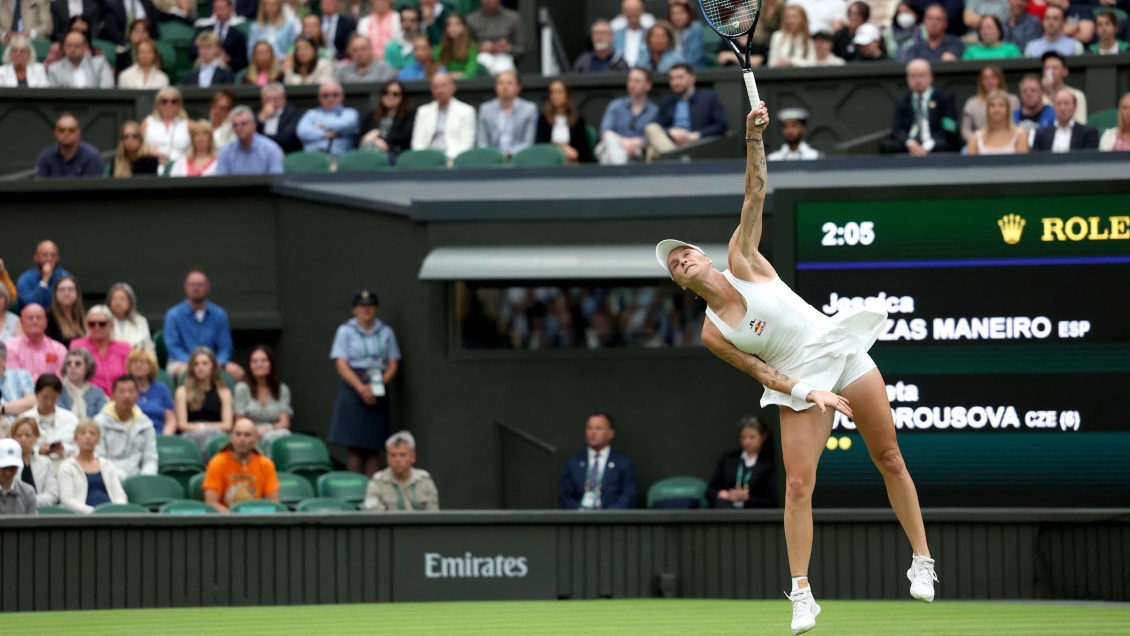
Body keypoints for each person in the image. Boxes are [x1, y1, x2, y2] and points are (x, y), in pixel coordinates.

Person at [657, 103, 935, 635]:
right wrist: (811, 394)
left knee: (890, 456)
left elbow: (754, 193)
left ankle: (921, 558)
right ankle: (802, 594)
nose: (682, 260)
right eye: (674, 264)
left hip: (838, 350)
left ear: (704, 257)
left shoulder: (743, 257)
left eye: (685, 252)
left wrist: (753, 139)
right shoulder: (713, 333)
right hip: (796, 379)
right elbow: (764, 375)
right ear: (680, 283)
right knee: (798, 486)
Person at [328, 290, 401, 477]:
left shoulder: (386, 332)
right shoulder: (345, 331)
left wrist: (379, 386)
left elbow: (393, 363)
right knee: (355, 446)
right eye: (362, 306)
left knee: (373, 445)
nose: (366, 310)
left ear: (375, 308)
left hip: (378, 383)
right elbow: (341, 364)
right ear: (354, 309)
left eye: (370, 306)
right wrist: (361, 388)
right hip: (353, 385)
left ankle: (372, 493)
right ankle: (355, 492)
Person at [163, 270, 240, 380]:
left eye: (200, 285)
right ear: (186, 287)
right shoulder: (173, 315)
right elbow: (173, 348)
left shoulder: (219, 314)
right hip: (182, 362)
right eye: (192, 285)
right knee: (185, 373)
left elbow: (225, 347)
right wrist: (196, 363)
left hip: (214, 362)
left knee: (237, 372)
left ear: (208, 287)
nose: (196, 288)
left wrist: (217, 362)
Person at [644, 64, 728, 161]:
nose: (676, 82)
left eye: (680, 77)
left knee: (653, 151)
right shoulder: (667, 102)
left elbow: (721, 125)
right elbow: (657, 126)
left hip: (696, 145)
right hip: (672, 142)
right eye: (672, 78)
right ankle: (678, 160)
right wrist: (670, 131)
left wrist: (697, 134)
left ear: (692, 78)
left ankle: (674, 160)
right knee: (651, 129)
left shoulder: (708, 98)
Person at [558, 413, 637, 510]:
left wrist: (608, 516)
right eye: (589, 428)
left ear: (610, 433)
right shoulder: (572, 463)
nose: (593, 432)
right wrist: (580, 512)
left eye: (598, 428)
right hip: (579, 520)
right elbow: (565, 497)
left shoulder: (624, 463)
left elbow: (628, 496)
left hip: (611, 520)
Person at [880, 58, 959, 154]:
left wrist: (929, 144)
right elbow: (897, 129)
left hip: (934, 142)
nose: (917, 81)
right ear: (907, 79)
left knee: (944, 145)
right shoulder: (903, 101)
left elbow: (949, 127)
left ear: (930, 77)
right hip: (911, 143)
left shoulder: (944, 98)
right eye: (913, 77)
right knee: (888, 146)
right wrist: (909, 142)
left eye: (921, 76)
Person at [202, 418, 279, 513]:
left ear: (255, 439)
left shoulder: (266, 464)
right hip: (227, 521)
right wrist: (235, 518)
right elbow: (211, 503)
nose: (242, 439)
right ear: (231, 438)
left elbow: (274, 503)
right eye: (238, 434)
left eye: (247, 435)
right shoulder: (217, 462)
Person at [93, 376, 157, 478]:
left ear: (137, 395)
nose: (127, 396)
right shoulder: (99, 423)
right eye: (121, 391)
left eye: (131, 391)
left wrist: (146, 479)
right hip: (109, 478)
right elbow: (98, 458)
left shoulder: (145, 424)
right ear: (112, 395)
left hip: (138, 479)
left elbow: (150, 459)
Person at [57, 421, 128, 513]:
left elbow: (120, 495)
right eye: (83, 433)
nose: (88, 437)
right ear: (75, 438)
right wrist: (94, 512)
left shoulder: (107, 464)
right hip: (82, 518)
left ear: (98, 439)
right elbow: (66, 499)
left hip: (111, 515)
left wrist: (116, 510)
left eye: (92, 433)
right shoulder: (67, 466)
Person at [706, 416, 777, 509]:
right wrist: (721, 494)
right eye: (743, 437)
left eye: (752, 437)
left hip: (754, 513)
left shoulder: (768, 464)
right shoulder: (729, 460)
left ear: (763, 437)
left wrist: (748, 498)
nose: (747, 441)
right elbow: (710, 490)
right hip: (727, 509)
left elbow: (772, 500)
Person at [171, 346, 233, 451]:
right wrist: (202, 429)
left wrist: (204, 427)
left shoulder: (224, 392)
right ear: (192, 368)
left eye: (205, 363)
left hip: (216, 435)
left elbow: (227, 425)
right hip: (191, 435)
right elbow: (182, 425)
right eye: (196, 364)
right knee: (200, 438)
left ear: (212, 366)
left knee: (215, 439)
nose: (200, 367)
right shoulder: (182, 391)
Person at [596, 67, 658, 166]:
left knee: (607, 156)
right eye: (630, 80)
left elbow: (653, 137)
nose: (632, 85)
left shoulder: (654, 111)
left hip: (637, 150)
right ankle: (622, 172)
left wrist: (637, 143)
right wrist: (624, 143)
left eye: (637, 81)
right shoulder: (615, 105)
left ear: (648, 86)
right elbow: (605, 131)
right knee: (610, 141)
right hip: (613, 144)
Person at [410, 72, 476, 164]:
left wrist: (446, 158)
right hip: (427, 160)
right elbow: (417, 143)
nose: (439, 90)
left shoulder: (466, 111)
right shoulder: (423, 111)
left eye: (443, 86)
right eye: (435, 87)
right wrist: (426, 157)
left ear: (453, 88)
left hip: (454, 160)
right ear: (431, 90)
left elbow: (466, 144)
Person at [363, 430, 439, 511]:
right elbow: (375, 518)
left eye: (402, 455)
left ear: (413, 457)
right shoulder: (377, 483)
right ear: (387, 458)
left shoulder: (425, 481)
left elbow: (433, 516)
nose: (397, 460)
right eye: (393, 455)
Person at [233, 345, 291, 449]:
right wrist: (253, 432)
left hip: (275, 431)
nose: (259, 364)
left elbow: (284, 422)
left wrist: (269, 428)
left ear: (271, 364)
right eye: (254, 361)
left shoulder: (282, 389)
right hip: (248, 434)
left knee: (282, 435)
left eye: (264, 361)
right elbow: (239, 422)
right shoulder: (242, 388)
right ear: (249, 366)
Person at [18, 373, 78, 464]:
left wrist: (63, 449)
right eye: (45, 398)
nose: (49, 402)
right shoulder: (24, 419)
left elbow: (79, 448)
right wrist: (37, 451)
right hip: (34, 467)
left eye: (53, 398)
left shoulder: (70, 419)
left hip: (65, 466)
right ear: (36, 394)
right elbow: (17, 447)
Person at [70, 305, 131, 394]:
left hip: (118, 399)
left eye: (102, 324)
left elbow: (130, 379)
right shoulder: (77, 346)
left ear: (111, 325)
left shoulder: (124, 348)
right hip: (87, 399)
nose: (97, 327)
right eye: (92, 324)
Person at [476, 70, 537, 159]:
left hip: (519, 159)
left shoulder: (529, 109)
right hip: (492, 159)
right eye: (501, 83)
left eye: (509, 83)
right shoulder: (485, 109)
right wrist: (495, 155)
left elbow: (528, 143)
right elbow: (482, 142)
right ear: (496, 87)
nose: (505, 87)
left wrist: (509, 154)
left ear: (518, 88)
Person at [535, 79, 594, 164]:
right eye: (552, 92)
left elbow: (583, 149)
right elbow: (539, 144)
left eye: (559, 92)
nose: (555, 96)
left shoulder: (578, 118)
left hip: (573, 161)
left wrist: (572, 152)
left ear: (567, 95)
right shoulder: (543, 117)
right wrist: (562, 148)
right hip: (549, 160)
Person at [296, 80, 359, 158]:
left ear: (342, 96)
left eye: (335, 95)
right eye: (325, 95)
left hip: (339, 159)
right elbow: (302, 131)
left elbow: (347, 124)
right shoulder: (311, 114)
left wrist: (321, 125)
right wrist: (324, 134)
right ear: (319, 97)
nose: (330, 99)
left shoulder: (350, 112)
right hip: (312, 159)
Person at [215, 105, 286, 175]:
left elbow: (276, 180)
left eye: (244, 124)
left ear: (254, 125)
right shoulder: (225, 152)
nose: (239, 128)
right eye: (235, 125)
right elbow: (221, 182)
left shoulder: (271, 149)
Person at [6, 304, 67, 381]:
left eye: (39, 318)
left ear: (46, 322)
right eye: (30, 318)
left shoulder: (59, 349)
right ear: (22, 322)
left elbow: (61, 380)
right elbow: (14, 380)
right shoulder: (10, 347)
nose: (35, 321)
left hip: (52, 392)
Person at [962, 65, 1020, 142]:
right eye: (985, 78)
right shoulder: (971, 103)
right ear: (981, 82)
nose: (990, 82)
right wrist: (977, 142)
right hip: (979, 143)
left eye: (993, 78)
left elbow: (1017, 125)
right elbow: (965, 131)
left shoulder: (1013, 100)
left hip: (1009, 141)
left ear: (1000, 79)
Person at [35, 113, 103, 178]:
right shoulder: (46, 156)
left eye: (71, 130)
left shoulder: (92, 157)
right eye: (61, 130)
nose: (66, 134)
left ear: (78, 133)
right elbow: (39, 186)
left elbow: (93, 187)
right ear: (56, 133)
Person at [10, 417, 58, 507]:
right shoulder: (6, 464)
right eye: (19, 435)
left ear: (36, 437)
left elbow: (52, 494)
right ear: (13, 437)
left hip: (40, 511)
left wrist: (31, 501)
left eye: (28, 435)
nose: (23, 439)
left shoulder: (45, 462)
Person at [465, 0, 522, 76]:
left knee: (505, 69)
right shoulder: (471, 20)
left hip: (505, 57)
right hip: (481, 57)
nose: (488, 1)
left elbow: (522, 49)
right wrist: (480, 48)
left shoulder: (513, 18)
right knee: (480, 65)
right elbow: (465, 47)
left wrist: (507, 48)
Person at [359, 80, 415, 156]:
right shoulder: (371, 115)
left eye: (395, 94)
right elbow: (361, 137)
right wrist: (375, 141)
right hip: (369, 152)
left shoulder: (408, 116)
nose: (390, 96)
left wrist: (379, 136)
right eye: (386, 93)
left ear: (402, 97)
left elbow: (405, 137)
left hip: (395, 154)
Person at [1032, 88, 1099, 151]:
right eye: (1058, 104)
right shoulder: (1041, 134)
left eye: (1066, 103)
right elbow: (1036, 160)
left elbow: (1089, 160)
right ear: (1054, 107)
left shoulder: (1088, 133)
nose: (1062, 108)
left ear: (1075, 107)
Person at [127, 348, 174, 435]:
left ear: (151, 366)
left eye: (143, 362)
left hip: (159, 435)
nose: (138, 365)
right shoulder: (124, 388)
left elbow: (171, 420)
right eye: (134, 362)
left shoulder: (162, 389)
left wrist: (165, 437)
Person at [191, 0, 248, 73]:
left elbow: (242, 60)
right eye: (217, 8)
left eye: (223, 8)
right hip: (204, 62)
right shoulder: (203, 29)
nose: (220, 11)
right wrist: (206, 52)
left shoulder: (238, 34)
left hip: (227, 67)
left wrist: (229, 59)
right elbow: (192, 51)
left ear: (231, 9)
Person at [968, 90, 1030, 154]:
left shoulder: (1020, 135)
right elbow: (971, 163)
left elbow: (1022, 162)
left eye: (1001, 105)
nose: (996, 109)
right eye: (992, 105)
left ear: (1008, 110)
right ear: (987, 110)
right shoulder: (975, 138)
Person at [141, 86, 191, 166]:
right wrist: (148, 150)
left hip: (180, 169)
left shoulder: (189, 124)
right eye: (164, 101)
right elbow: (138, 146)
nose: (169, 104)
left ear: (179, 104)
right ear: (157, 104)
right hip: (153, 167)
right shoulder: (147, 123)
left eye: (174, 101)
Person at [47, 31, 113, 88]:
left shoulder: (99, 64)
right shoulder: (54, 69)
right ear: (64, 47)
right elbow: (53, 96)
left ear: (85, 47)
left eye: (77, 46)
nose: (73, 50)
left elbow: (107, 87)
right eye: (69, 46)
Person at [56, 348, 107, 421]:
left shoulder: (98, 393)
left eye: (78, 364)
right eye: (69, 363)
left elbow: (101, 419)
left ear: (87, 367)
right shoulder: (57, 390)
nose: (72, 366)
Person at [16, 241, 69, 310]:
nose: (49, 259)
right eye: (45, 255)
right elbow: (31, 305)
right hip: (34, 318)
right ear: (36, 258)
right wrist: (45, 279)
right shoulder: (25, 279)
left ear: (58, 258)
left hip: (59, 317)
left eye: (53, 255)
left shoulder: (65, 277)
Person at [256, 83, 302, 154]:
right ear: (261, 101)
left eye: (275, 99)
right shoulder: (257, 115)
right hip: (260, 152)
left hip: (285, 152)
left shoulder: (292, 114)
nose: (271, 103)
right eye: (267, 100)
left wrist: (262, 139)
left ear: (283, 100)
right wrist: (261, 119)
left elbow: (285, 138)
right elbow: (250, 135)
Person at [1041, 51, 1086, 123]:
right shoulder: (1038, 98)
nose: (1050, 72)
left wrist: (1050, 93)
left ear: (1065, 71)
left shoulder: (1077, 95)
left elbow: (1080, 124)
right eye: (1047, 68)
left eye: (1055, 68)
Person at [0, 341, 35, 426]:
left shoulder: (21, 375)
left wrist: (2, 409)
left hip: (19, 429)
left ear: (4, 359)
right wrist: (16, 407)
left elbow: (31, 402)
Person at [1013, 72, 1057, 142]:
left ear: (1042, 92)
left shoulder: (1054, 114)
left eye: (1033, 90)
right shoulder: (1012, 117)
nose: (1029, 94)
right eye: (1025, 91)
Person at [0, 438, 38, 515]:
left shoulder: (28, 492)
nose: (8, 473)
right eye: (4, 468)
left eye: (13, 468)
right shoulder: (28, 492)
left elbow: (33, 524)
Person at [45, 275, 84, 346]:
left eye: (71, 289)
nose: (66, 293)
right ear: (55, 294)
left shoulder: (84, 317)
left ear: (77, 293)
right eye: (62, 290)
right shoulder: (47, 317)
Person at [435, 13, 478, 79]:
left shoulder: (471, 48)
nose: (453, 28)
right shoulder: (439, 49)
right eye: (449, 25)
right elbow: (434, 72)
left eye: (457, 25)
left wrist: (455, 76)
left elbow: (470, 73)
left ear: (464, 28)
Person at [666, 0, 703, 67]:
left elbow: (693, 57)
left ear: (688, 13)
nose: (677, 17)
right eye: (673, 14)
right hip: (670, 69)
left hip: (692, 69)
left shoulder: (695, 27)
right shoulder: (667, 30)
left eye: (681, 13)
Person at [613, 0, 650, 67]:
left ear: (642, 11)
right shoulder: (614, 35)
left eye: (635, 9)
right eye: (629, 10)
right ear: (623, 12)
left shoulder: (649, 34)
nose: (632, 13)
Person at [383, 5, 420, 69]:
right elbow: (386, 73)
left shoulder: (424, 47)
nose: (408, 25)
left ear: (418, 23)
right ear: (400, 22)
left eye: (412, 21)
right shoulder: (391, 47)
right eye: (404, 20)